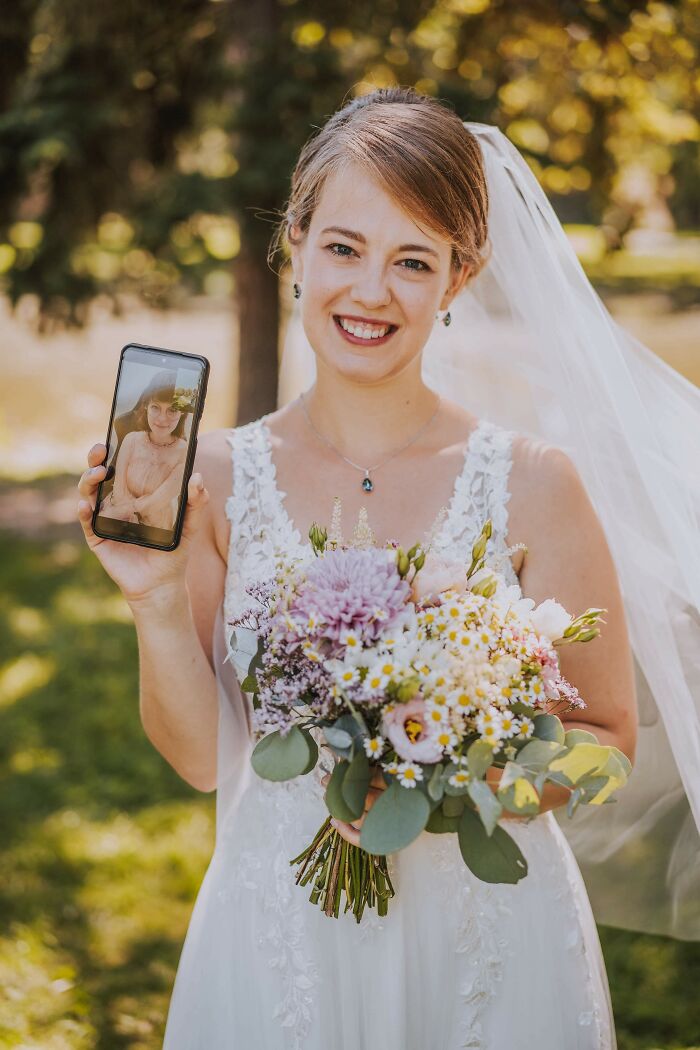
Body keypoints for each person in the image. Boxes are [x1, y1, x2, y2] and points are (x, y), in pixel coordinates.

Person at [76, 89, 642, 1048]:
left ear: (459, 279)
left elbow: (606, 736)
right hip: (282, 935)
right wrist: (157, 601)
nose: (371, 292)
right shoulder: (216, 478)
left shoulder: (535, 484)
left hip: (485, 939)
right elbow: (203, 760)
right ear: (294, 245)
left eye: (413, 261)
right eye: (344, 247)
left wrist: (454, 794)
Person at [98, 370, 188, 531]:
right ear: (146, 405)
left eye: (172, 410)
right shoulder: (132, 439)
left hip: (156, 522)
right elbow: (119, 487)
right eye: (155, 407)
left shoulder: (183, 451)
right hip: (119, 509)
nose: (162, 418)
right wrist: (124, 512)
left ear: (182, 413)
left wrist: (133, 512)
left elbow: (161, 498)